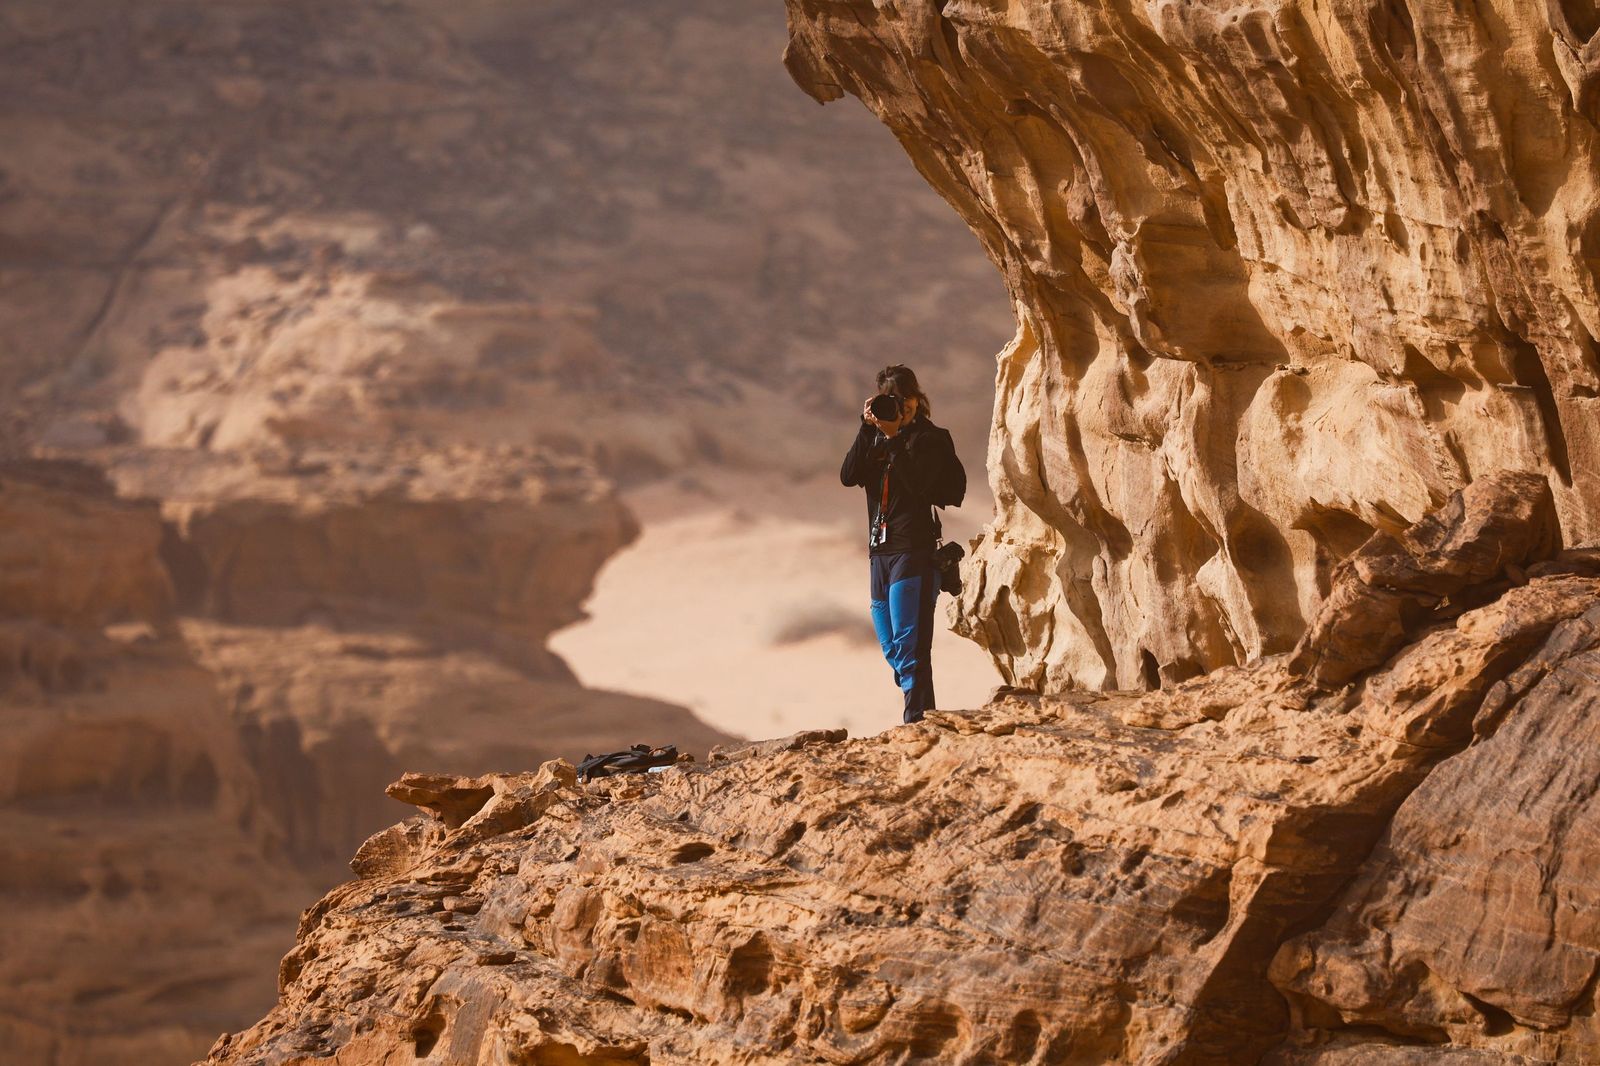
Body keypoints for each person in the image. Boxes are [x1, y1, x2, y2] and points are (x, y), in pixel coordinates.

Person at [839, 364, 966, 724]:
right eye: (893, 399)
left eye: (906, 397)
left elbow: (920, 487)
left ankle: (918, 724)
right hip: (879, 554)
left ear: (917, 397)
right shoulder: (876, 438)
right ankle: (921, 714)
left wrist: (895, 440)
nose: (902, 405)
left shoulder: (931, 439)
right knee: (891, 647)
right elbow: (849, 476)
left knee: (911, 649)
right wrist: (868, 429)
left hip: (913, 550)